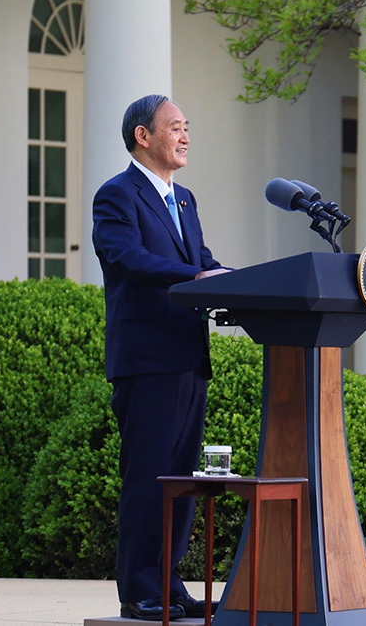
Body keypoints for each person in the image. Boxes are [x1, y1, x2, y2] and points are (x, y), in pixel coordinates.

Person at [93, 94, 230, 621]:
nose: (186, 135)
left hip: (189, 356)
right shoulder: (116, 196)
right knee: (148, 476)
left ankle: (169, 584)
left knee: (180, 478)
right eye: (175, 127)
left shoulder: (186, 199)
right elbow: (128, 258)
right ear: (142, 136)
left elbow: (201, 262)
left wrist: (236, 281)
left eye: (187, 126)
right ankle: (139, 592)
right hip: (147, 359)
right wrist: (195, 276)